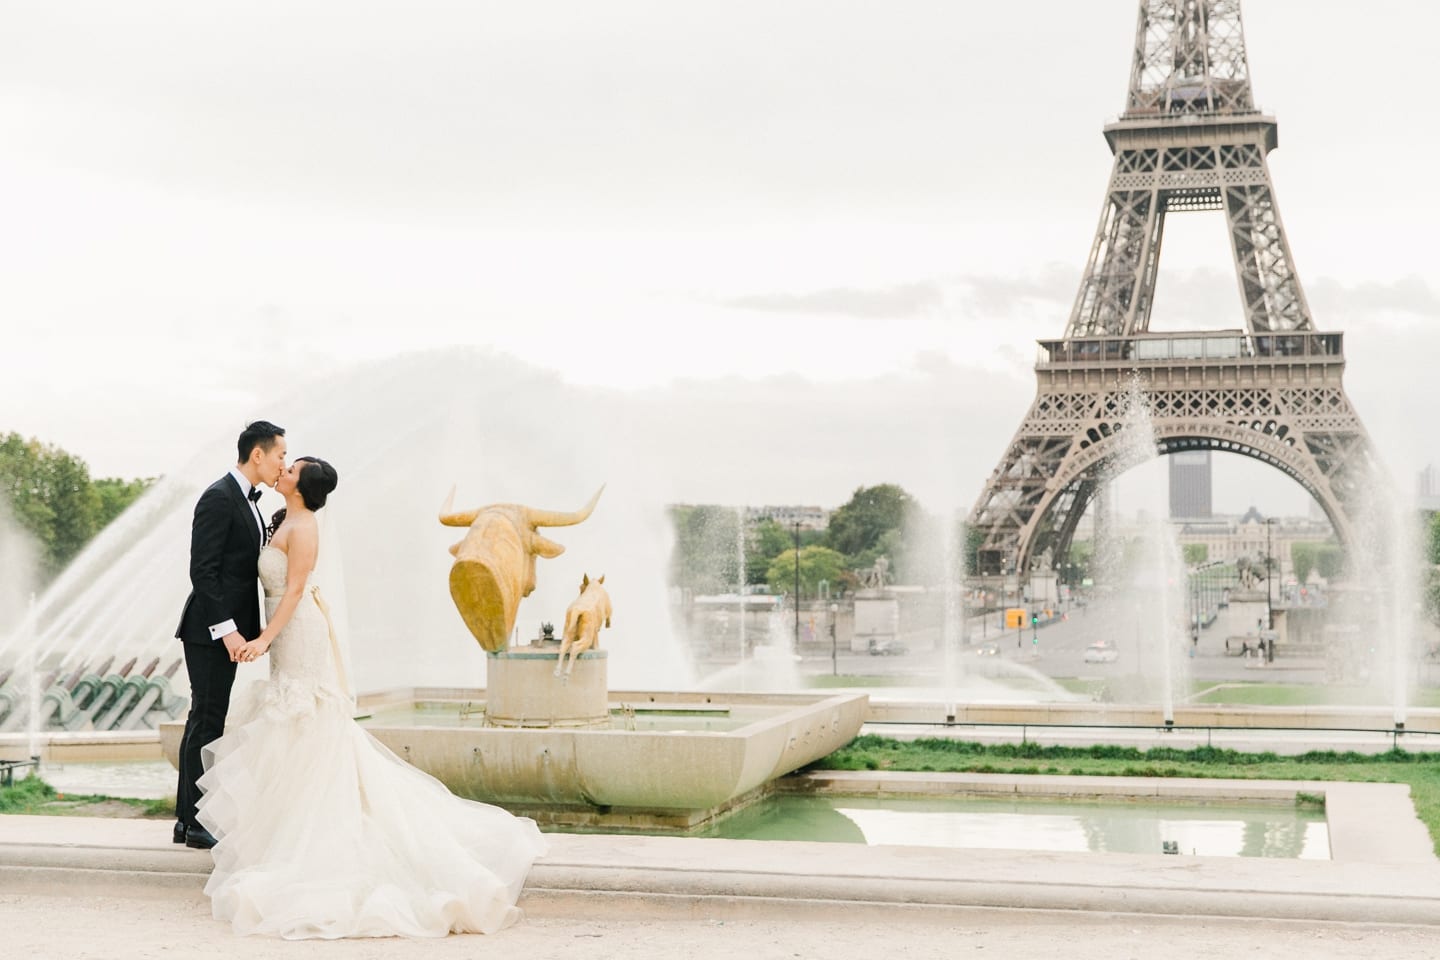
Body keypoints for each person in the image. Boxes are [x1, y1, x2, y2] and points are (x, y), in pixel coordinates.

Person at [194, 457, 546, 939]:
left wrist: (263, 640)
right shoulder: (283, 519)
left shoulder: (306, 527)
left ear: (302, 486)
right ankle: (285, 834)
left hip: (297, 632)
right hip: (286, 635)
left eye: (291, 469)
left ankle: (311, 836)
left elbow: (294, 590)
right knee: (289, 726)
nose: (284, 471)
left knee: (305, 720)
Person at [173, 420, 287, 850]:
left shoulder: (249, 501)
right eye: (280, 454)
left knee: (203, 719)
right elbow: (203, 571)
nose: (283, 463)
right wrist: (229, 634)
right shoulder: (219, 497)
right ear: (257, 454)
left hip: (223, 631)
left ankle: (187, 819)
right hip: (208, 632)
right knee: (207, 720)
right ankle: (197, 822)